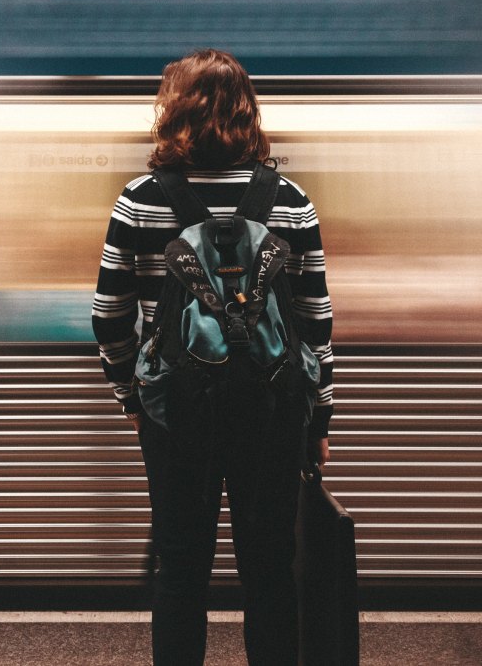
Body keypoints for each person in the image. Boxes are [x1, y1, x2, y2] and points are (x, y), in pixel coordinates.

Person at [92, 48, 334, 666]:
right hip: (273, 414)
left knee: (180, 570)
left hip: (175, 417)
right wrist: (320, 419)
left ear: (172, 112)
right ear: (249, 113)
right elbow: (315, 322)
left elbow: (108, 316)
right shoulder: (290, 199)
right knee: (270, 571)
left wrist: (132, 398)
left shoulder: (139, 200)